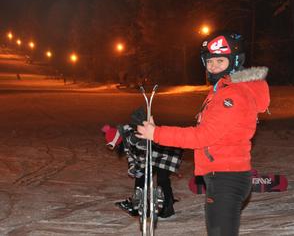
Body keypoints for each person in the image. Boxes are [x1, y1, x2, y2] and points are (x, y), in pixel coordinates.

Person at [137, 31, 270, 235]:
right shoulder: (223, 89)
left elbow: (202, 136)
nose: (213, 66)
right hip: (223, 176)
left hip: (227, 178)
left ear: (234, 61)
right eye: (210, 61)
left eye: (220, 60)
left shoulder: (232, 95)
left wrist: (157, 134)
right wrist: (156, 131)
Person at [101, 107, 183, 219]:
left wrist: (137, 168)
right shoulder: (126, 137)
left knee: (159, 179)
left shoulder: (131, 133)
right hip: (157, 154)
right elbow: (131, 156)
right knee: (147, 178)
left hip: (166, 152)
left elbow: (140, 152)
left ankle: (163, 207)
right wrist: (132, 168)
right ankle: (147, 205)